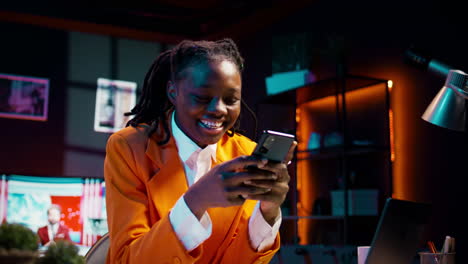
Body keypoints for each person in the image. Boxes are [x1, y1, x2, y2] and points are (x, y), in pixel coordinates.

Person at [104, 38, 297, 263]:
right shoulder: (128, 147)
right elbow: (126, 259)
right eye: (202, 98)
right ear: (173, 92)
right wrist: (196, 200)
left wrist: (269, 210)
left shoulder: (245, 153)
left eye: (231, 99)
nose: (218, 109)